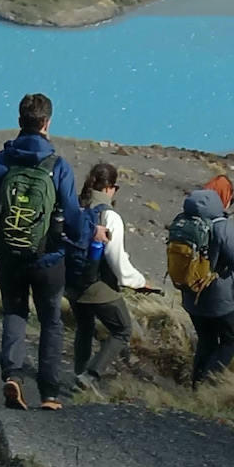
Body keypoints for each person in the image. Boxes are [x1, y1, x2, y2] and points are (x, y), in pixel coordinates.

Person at [0, 93, 89, 411]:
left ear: (20, 121)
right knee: (51, 321)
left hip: (9, 255)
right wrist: (79, 243)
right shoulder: (58, 166)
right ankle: (49, 393)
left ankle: (13, 376)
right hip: (49, 259)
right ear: (47, 123)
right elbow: (73, 216)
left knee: (15, 313)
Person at [167, 176, 234, 384]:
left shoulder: (183, 218)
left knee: (206, 341)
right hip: (219, 301)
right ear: (223, 197)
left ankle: (196, 384)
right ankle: (207, 385)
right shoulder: (221, 225)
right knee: (229, 341)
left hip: (191, 296)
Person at [69, 161, 148, 391]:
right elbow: (117, 261)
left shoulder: (77, 206)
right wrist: (139, 282)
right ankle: (90, 376)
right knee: (122, 330)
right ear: (110, 187)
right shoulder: (109, 216)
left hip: (72, 282)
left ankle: (79, 372)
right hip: (98, 285)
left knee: (84, 327)